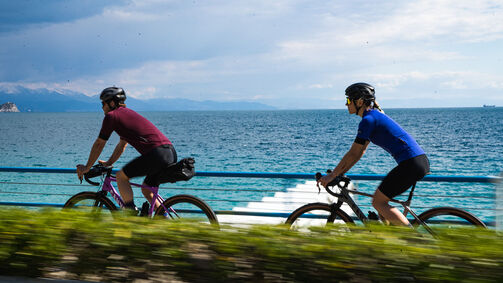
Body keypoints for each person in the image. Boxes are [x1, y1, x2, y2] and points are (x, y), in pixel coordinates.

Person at [318, 82, 430, 226]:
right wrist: (339, 173)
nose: (346, 104)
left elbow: (353, 152)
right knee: (382, 210)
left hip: (411, 164)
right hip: (416, 162)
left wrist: (333, 175)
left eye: (348, 100)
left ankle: (416, 241)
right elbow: (359, 153)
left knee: (378, 202)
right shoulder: (373, 117)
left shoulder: (368, 120)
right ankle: (392, 243)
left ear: (359, 101)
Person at [76, 87, 177, 213]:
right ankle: (163, 220)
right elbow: (122, 145)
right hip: (169, 152)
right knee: (146, 189)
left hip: (157, 154)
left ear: (112, 103)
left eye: (103, 103)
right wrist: (108, 163)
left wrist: (86, 167)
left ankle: (130, 213)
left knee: (121, 177)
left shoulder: (112, 116)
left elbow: (99, 144)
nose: (102, 107)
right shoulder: (126, 114)